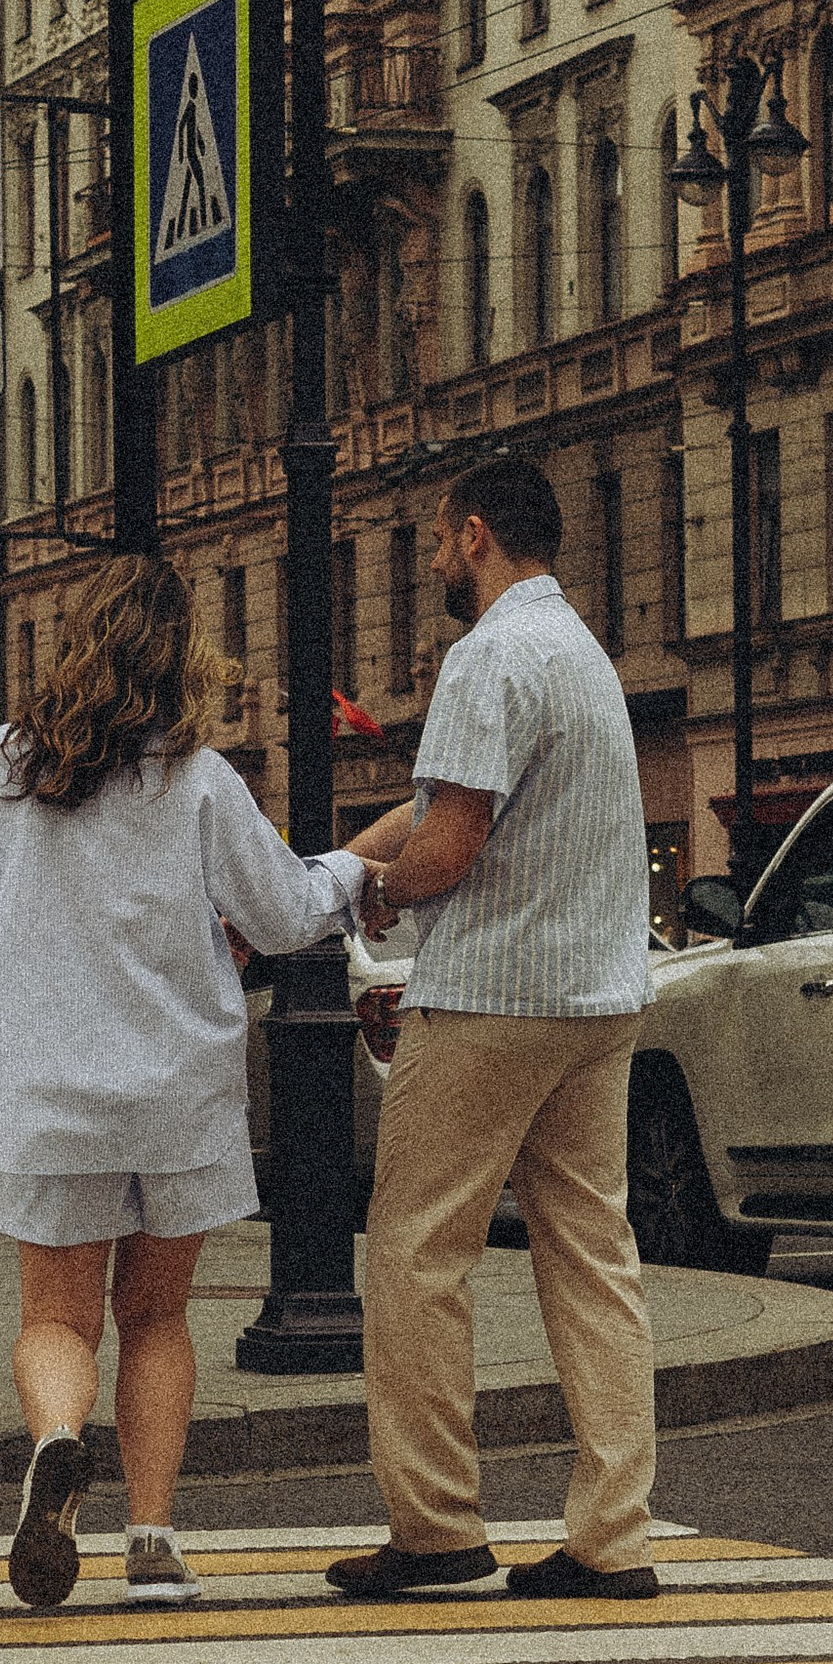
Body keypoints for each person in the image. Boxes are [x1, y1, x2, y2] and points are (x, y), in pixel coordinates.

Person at [0, 554, 370, 1610]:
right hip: (174, 1087)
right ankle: (151, 1539)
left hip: (44, 1084)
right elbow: (281, 915)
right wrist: (358, 871)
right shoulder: (197, 778)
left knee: (56, 1319)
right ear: (179, 658)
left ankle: (56, 1442)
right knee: (157, 1314)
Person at [333, 454, 660, 1602]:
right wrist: (353, 853)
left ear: (474, 535)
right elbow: (435, 808)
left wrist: (365, 893)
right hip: (598, 999)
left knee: (415, 1252)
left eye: (434, 539)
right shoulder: (578, 656)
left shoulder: (485, 658)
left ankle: (435, 1529)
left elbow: (447, 845)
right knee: (593, 1259)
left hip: (490, 1000)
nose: (431, 561)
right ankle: (612, 1537)